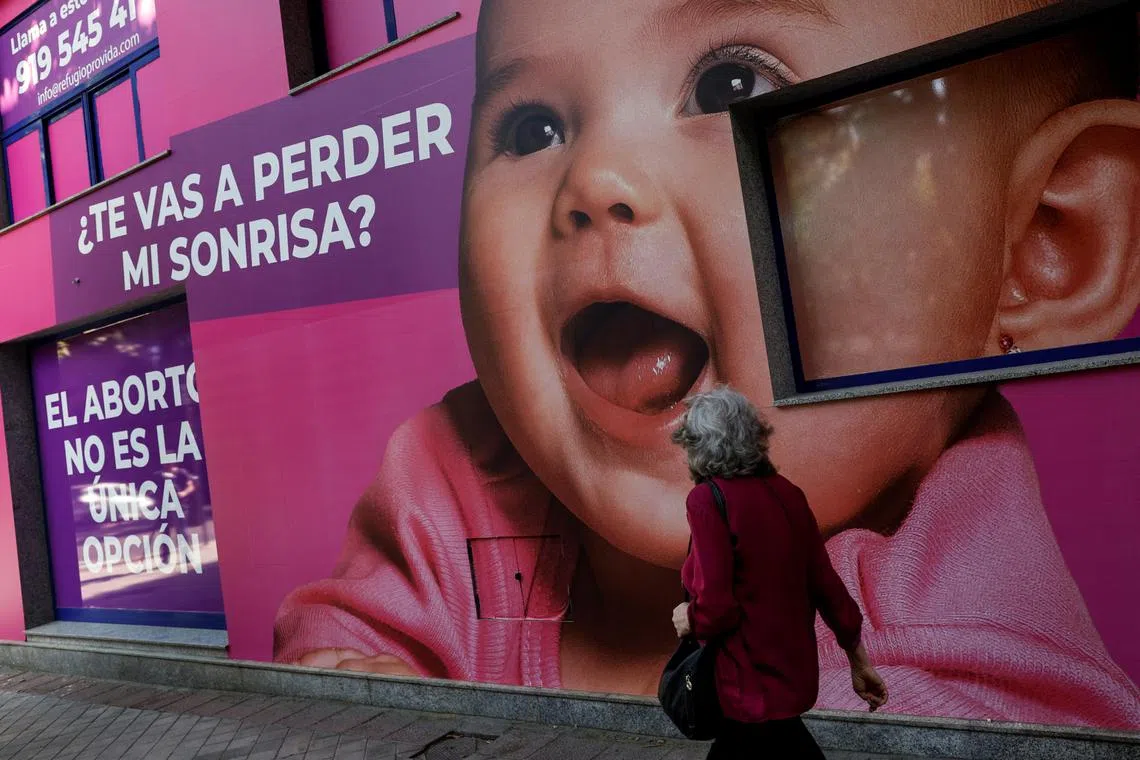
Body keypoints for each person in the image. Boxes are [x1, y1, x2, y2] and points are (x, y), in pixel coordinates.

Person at [273, 0, 1140, 727]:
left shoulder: (969, 638)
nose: (595, 178)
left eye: (734, 85)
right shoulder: (453, 474)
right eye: (533, 129)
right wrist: (352, 676)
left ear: (1044, 245)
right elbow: (349, 635)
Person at [670, 387, 887, 759]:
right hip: (792, 673)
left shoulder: (707, 500)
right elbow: (825, 583)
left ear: (700, 446)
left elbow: (717, 608)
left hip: (747, 682)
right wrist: (859, 660)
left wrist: (689, 618)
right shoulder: (787, 493)